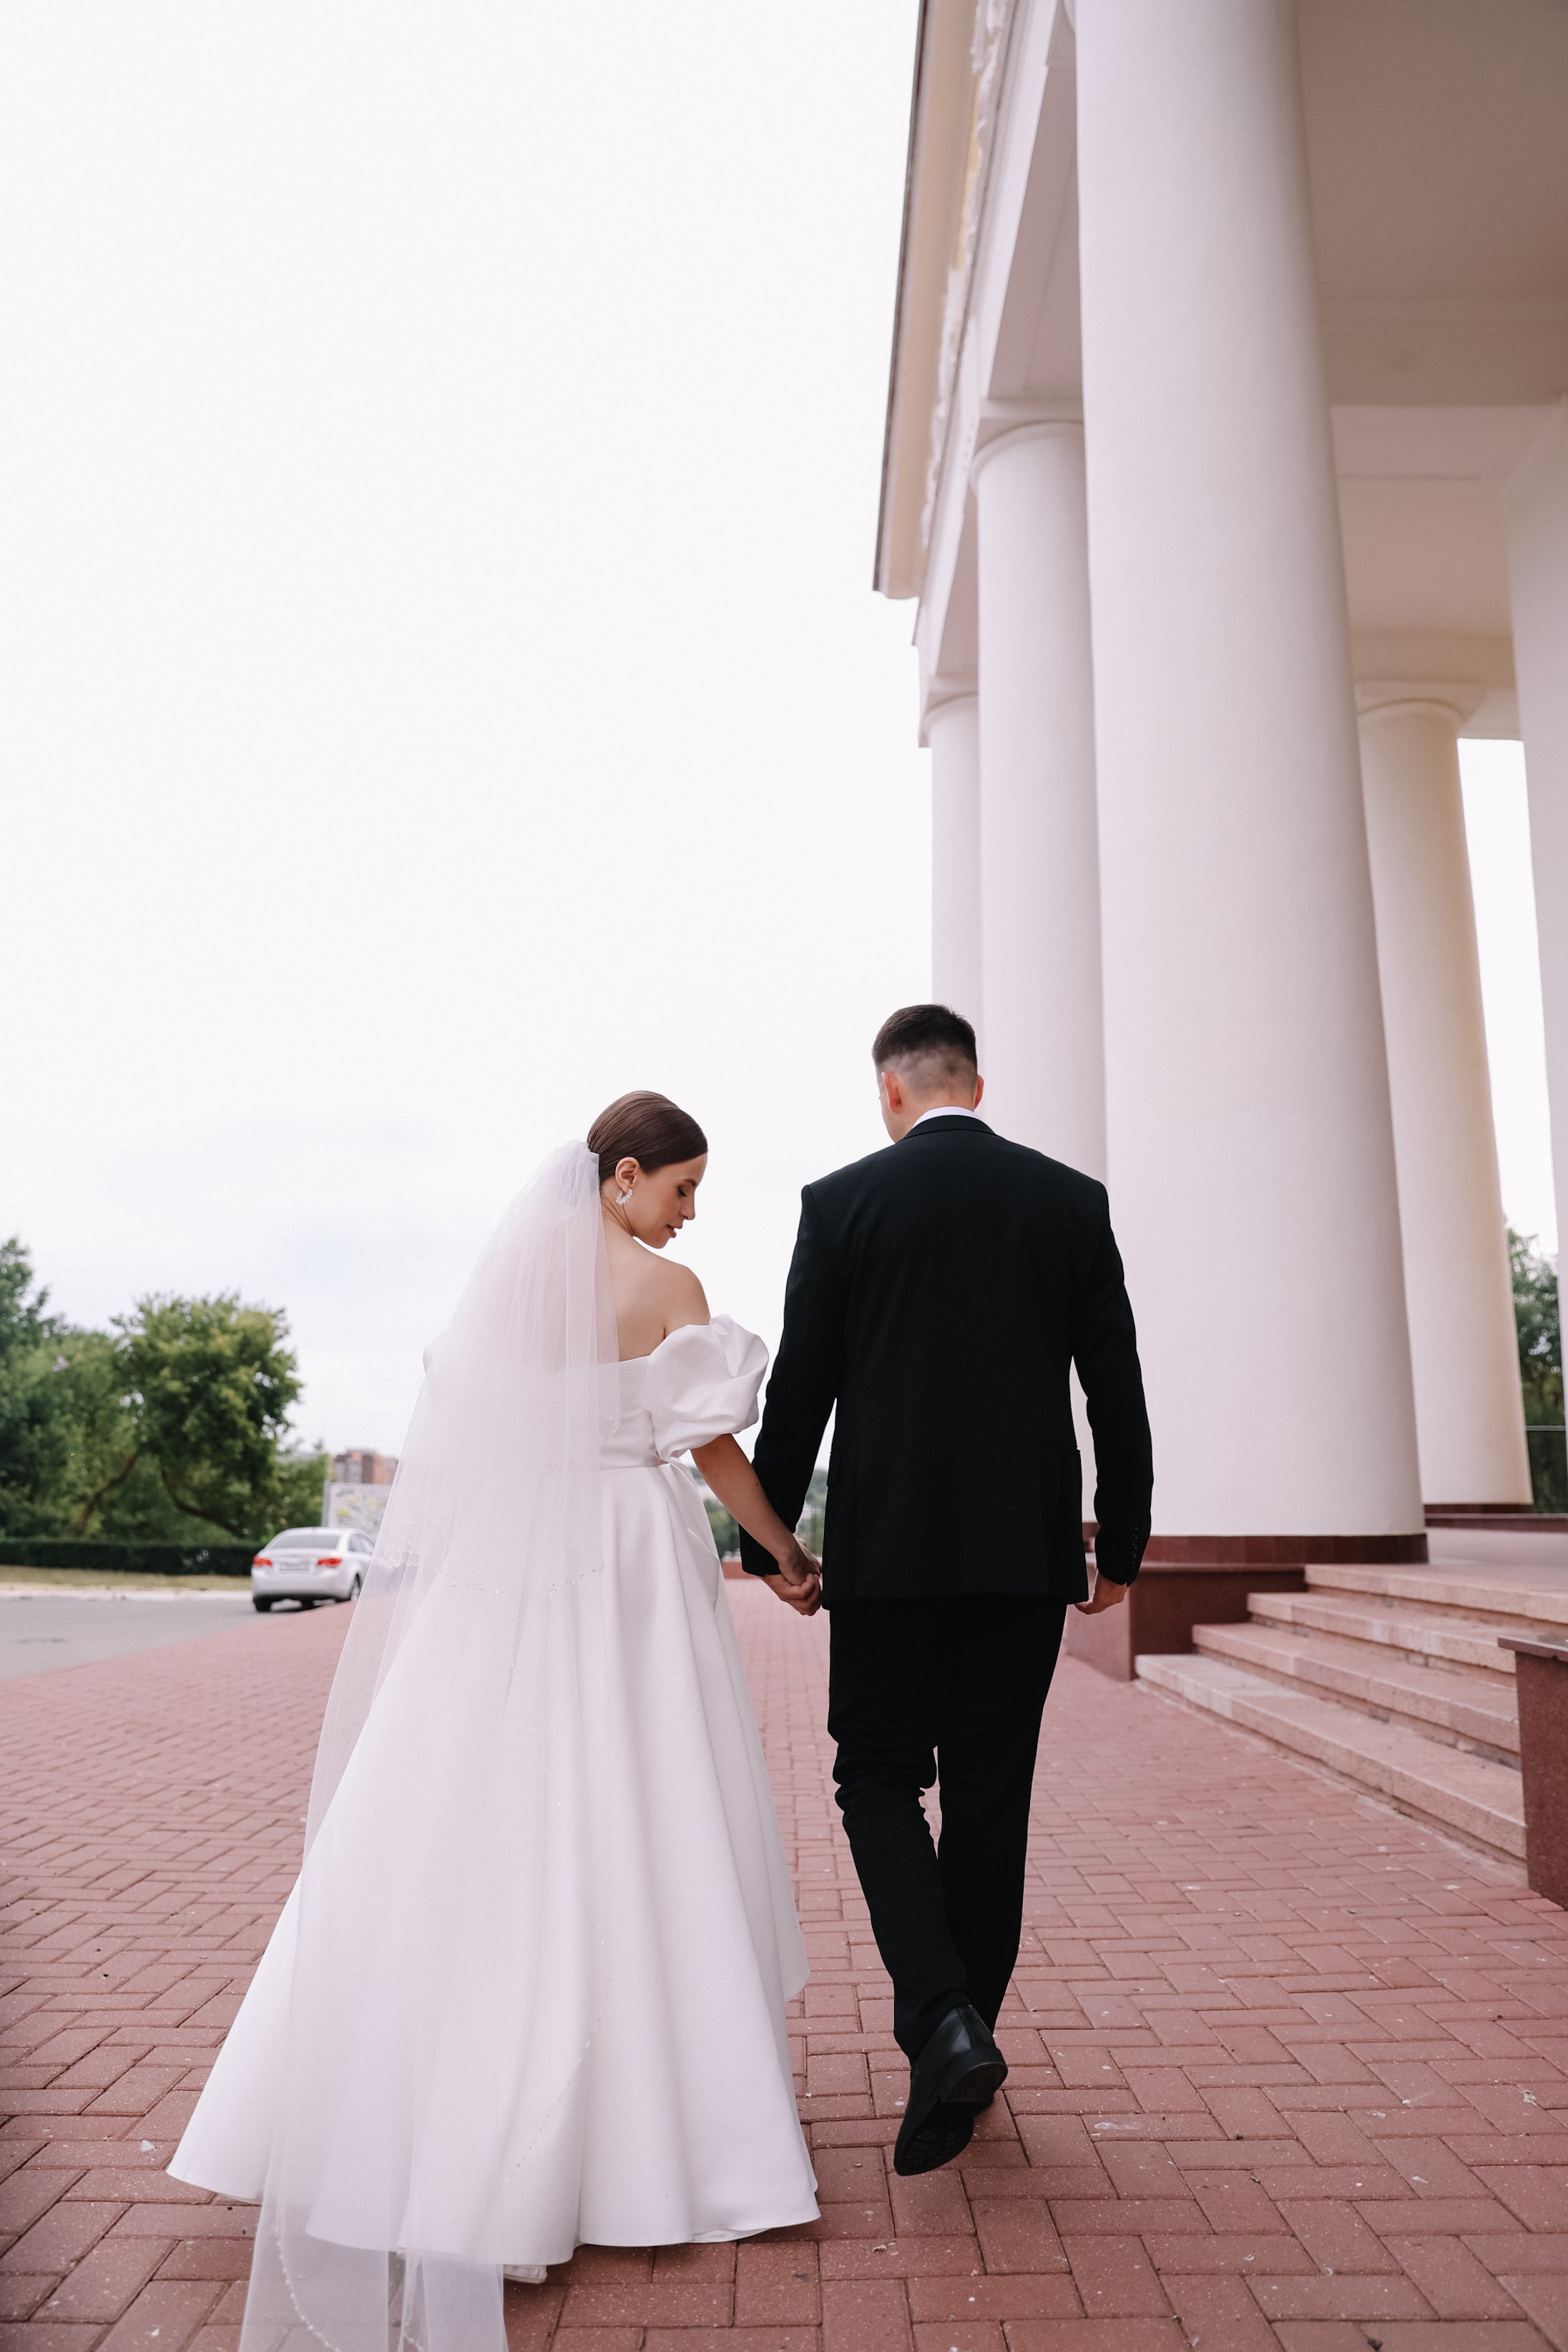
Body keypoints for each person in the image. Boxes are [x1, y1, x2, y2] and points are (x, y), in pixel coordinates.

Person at [170, 1094, 823, 2352]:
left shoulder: (511, 1287)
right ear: (626, 1177)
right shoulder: (671, 1288)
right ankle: (646, 2131)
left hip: (513, 1565)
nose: (691, 1211)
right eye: (683, 1186)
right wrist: (785, 1552)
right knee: (641, 1801)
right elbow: (711, 1450)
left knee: (479, 1813)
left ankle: (388, 2117)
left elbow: (471, 1435)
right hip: (629, 1560)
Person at [738, 1004, 1153, 2176]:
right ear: (976, 1082)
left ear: (890, 1092)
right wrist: (1118, 1547)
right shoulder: (1070, 1202)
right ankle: (957, 2044)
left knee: (873, 1775)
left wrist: (773, 1543)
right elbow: (1115, 1392)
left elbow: (803, 1390)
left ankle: (942, 2019)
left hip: (890, 1558)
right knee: (989, 1794)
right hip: (1025, 1559)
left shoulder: (842, 1204)